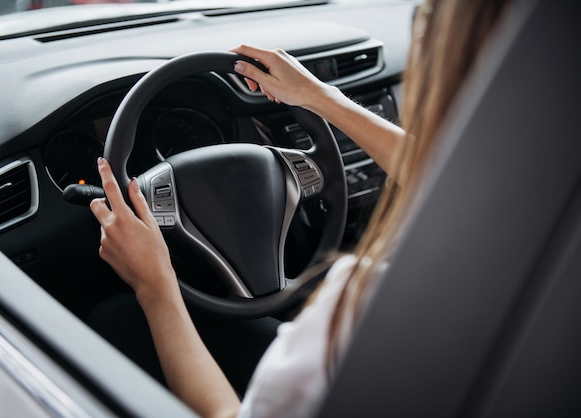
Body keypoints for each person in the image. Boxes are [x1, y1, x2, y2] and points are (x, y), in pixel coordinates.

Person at [89, 0, 512, 417]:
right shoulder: (529, 238)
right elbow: (449, 179)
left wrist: (155, 284)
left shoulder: (351, 313)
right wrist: (319, 97)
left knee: (116, 318)